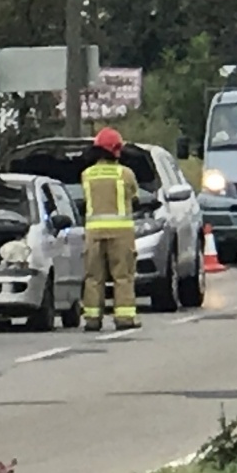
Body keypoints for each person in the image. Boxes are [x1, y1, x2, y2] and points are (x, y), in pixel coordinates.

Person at [80, 127, 140, 332]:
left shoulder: (86, 175)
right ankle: (124, 319)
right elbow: (134, 195)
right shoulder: (125, 174)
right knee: (122, 276)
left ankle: (92, 319)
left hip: (93, 234)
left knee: (93, 277)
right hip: (121, 234)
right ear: (115, 150)